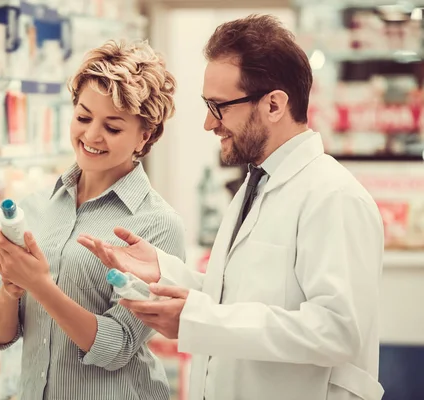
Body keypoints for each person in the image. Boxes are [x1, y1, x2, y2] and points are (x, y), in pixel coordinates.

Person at [78, 15, 385, 400]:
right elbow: (239, 300)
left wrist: (197, 320)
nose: (209, 123)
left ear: (274, 104)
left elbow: (337, 331)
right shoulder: (257, 184)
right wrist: (165, 271)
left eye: (219, 106)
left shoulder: (334, 197)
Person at [0, 39, 186, 400]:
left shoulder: (158, 224)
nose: (91, 136)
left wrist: (40, 285)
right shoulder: (36, 208)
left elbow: (118, 346)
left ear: (145, 136)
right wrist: (11, 290)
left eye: (113, 127)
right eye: (83, 117)